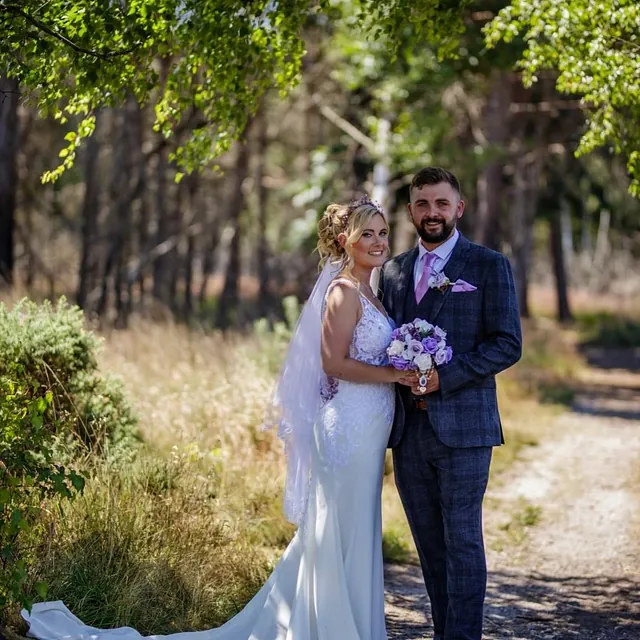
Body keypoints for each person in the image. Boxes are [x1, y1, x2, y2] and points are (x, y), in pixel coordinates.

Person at [22, 197, 411, 640]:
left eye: (382, 233)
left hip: (368, 429)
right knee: (337, 528)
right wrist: (394, 373)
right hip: (347, 430)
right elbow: (333, 363)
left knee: (355, 527)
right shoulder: (342, 291)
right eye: (368, 234)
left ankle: (347, 624)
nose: (378, 242)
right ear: (346, 241)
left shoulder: (369, 291)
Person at [379, 167, 522, 640]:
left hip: (464, 428)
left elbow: (507, 344)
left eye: (441, 203)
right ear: (411, 210)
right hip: (408, 433)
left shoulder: (487, 265)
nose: (432, 213)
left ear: (458, 208)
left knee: (461, 542)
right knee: (430, 547)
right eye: (422, 203)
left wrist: (445, 377)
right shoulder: (394, 271)